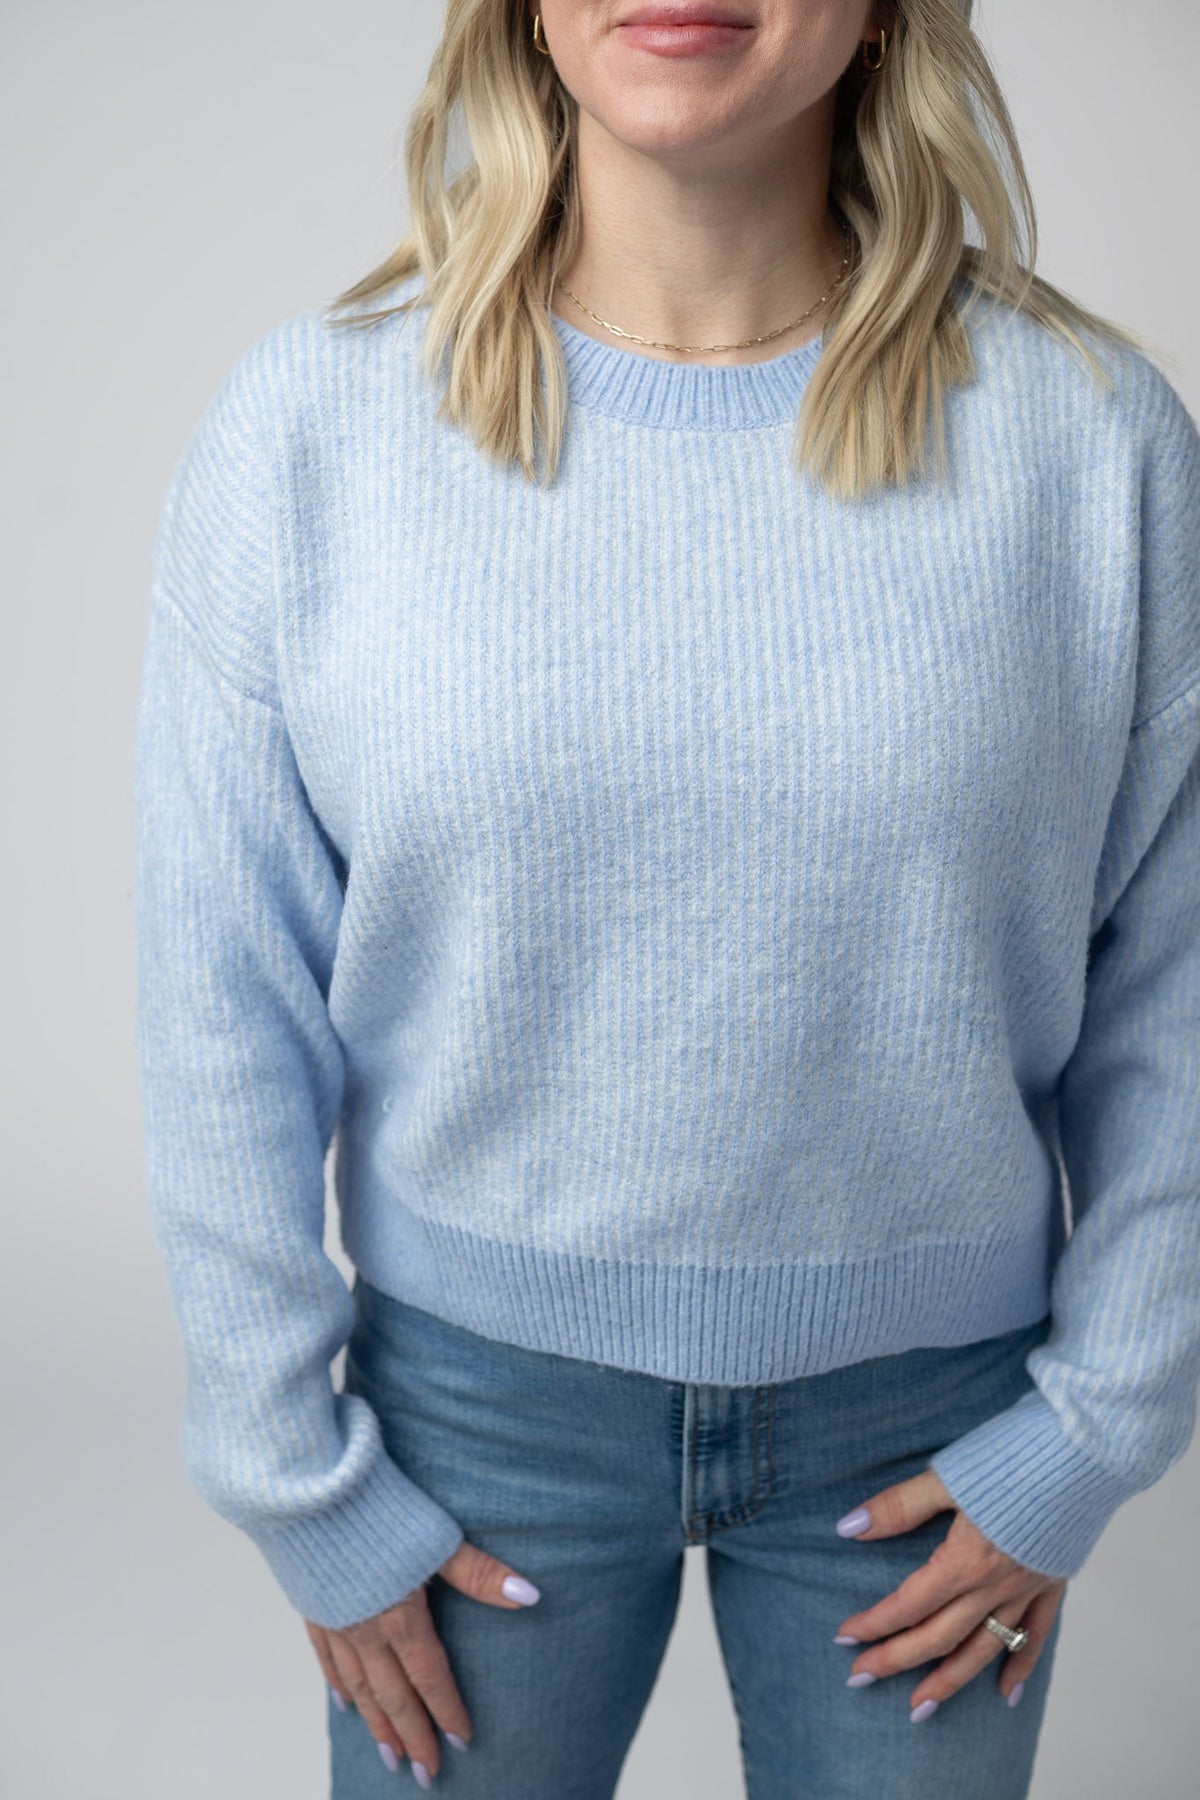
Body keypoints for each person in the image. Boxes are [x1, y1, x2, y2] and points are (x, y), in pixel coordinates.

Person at [132, 2, 1200, 1795]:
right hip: (471, 1423)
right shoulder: (311, 431)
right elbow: (218, 1000)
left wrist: (1094, 1434)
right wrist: (290, 1474)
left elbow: (1179, 989)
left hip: (940, 1425)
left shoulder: (1091, 444)